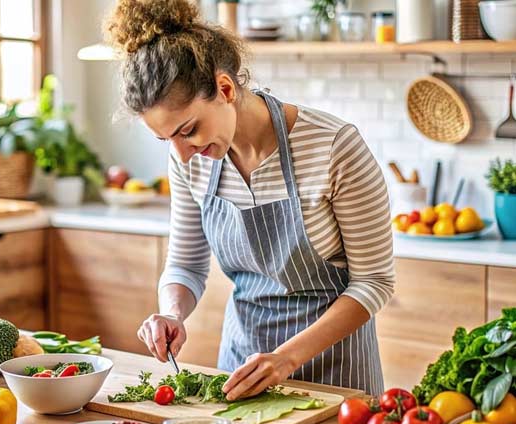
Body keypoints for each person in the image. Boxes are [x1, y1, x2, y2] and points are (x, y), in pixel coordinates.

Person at [104, 0, 395, 398]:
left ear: (225, 89)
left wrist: (287, 359)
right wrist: (171, 313)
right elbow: (186, 265)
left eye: (188, 130)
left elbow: (373, 282)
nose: (181, 153)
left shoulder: (332, 146)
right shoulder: (192, 161)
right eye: (166, 139)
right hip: (243, 369)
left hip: (338, 376)